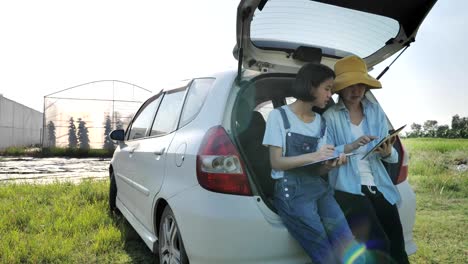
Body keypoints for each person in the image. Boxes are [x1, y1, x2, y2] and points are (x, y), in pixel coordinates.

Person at [263, 63, 365, 264]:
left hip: (319, 188)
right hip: (291, 193)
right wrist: (315, 156)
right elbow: (276, 163)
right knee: (325, 254)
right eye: (327, 89)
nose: (331, 95)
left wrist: (329, 165)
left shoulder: (321, 121)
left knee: (348, 246)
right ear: (311, 86)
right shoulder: (279, 116)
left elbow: (318, 169)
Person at [323, 55, 409, 263]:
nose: (357, 90)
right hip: (348, 188)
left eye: (361, 85)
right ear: (340, 88)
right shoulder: (330, 116)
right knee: (379, 243)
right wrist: (350, 147)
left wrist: (388, 153)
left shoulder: (375, 112)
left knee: (397, 243)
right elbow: (326, 153)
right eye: (351, 85)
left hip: (378, 184)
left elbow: (392, 155)